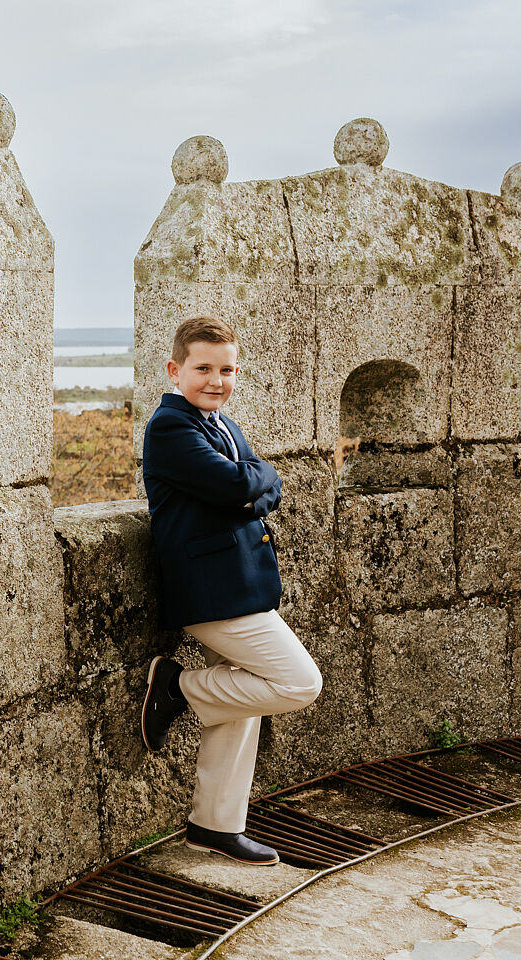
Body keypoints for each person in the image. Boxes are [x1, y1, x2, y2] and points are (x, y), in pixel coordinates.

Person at [138, 315, 322, 866]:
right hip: (210, 591)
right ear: (175, 370)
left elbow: (260, 485)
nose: (216, 379)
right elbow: (241, 483)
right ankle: (177, 688)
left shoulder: (221, 422)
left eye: (227, 369)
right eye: (202, 368)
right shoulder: (171, 428)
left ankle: (214, 824)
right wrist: (254, 480)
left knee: (241, 704)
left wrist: (253, 481)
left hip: (241, 584)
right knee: (297, 682)